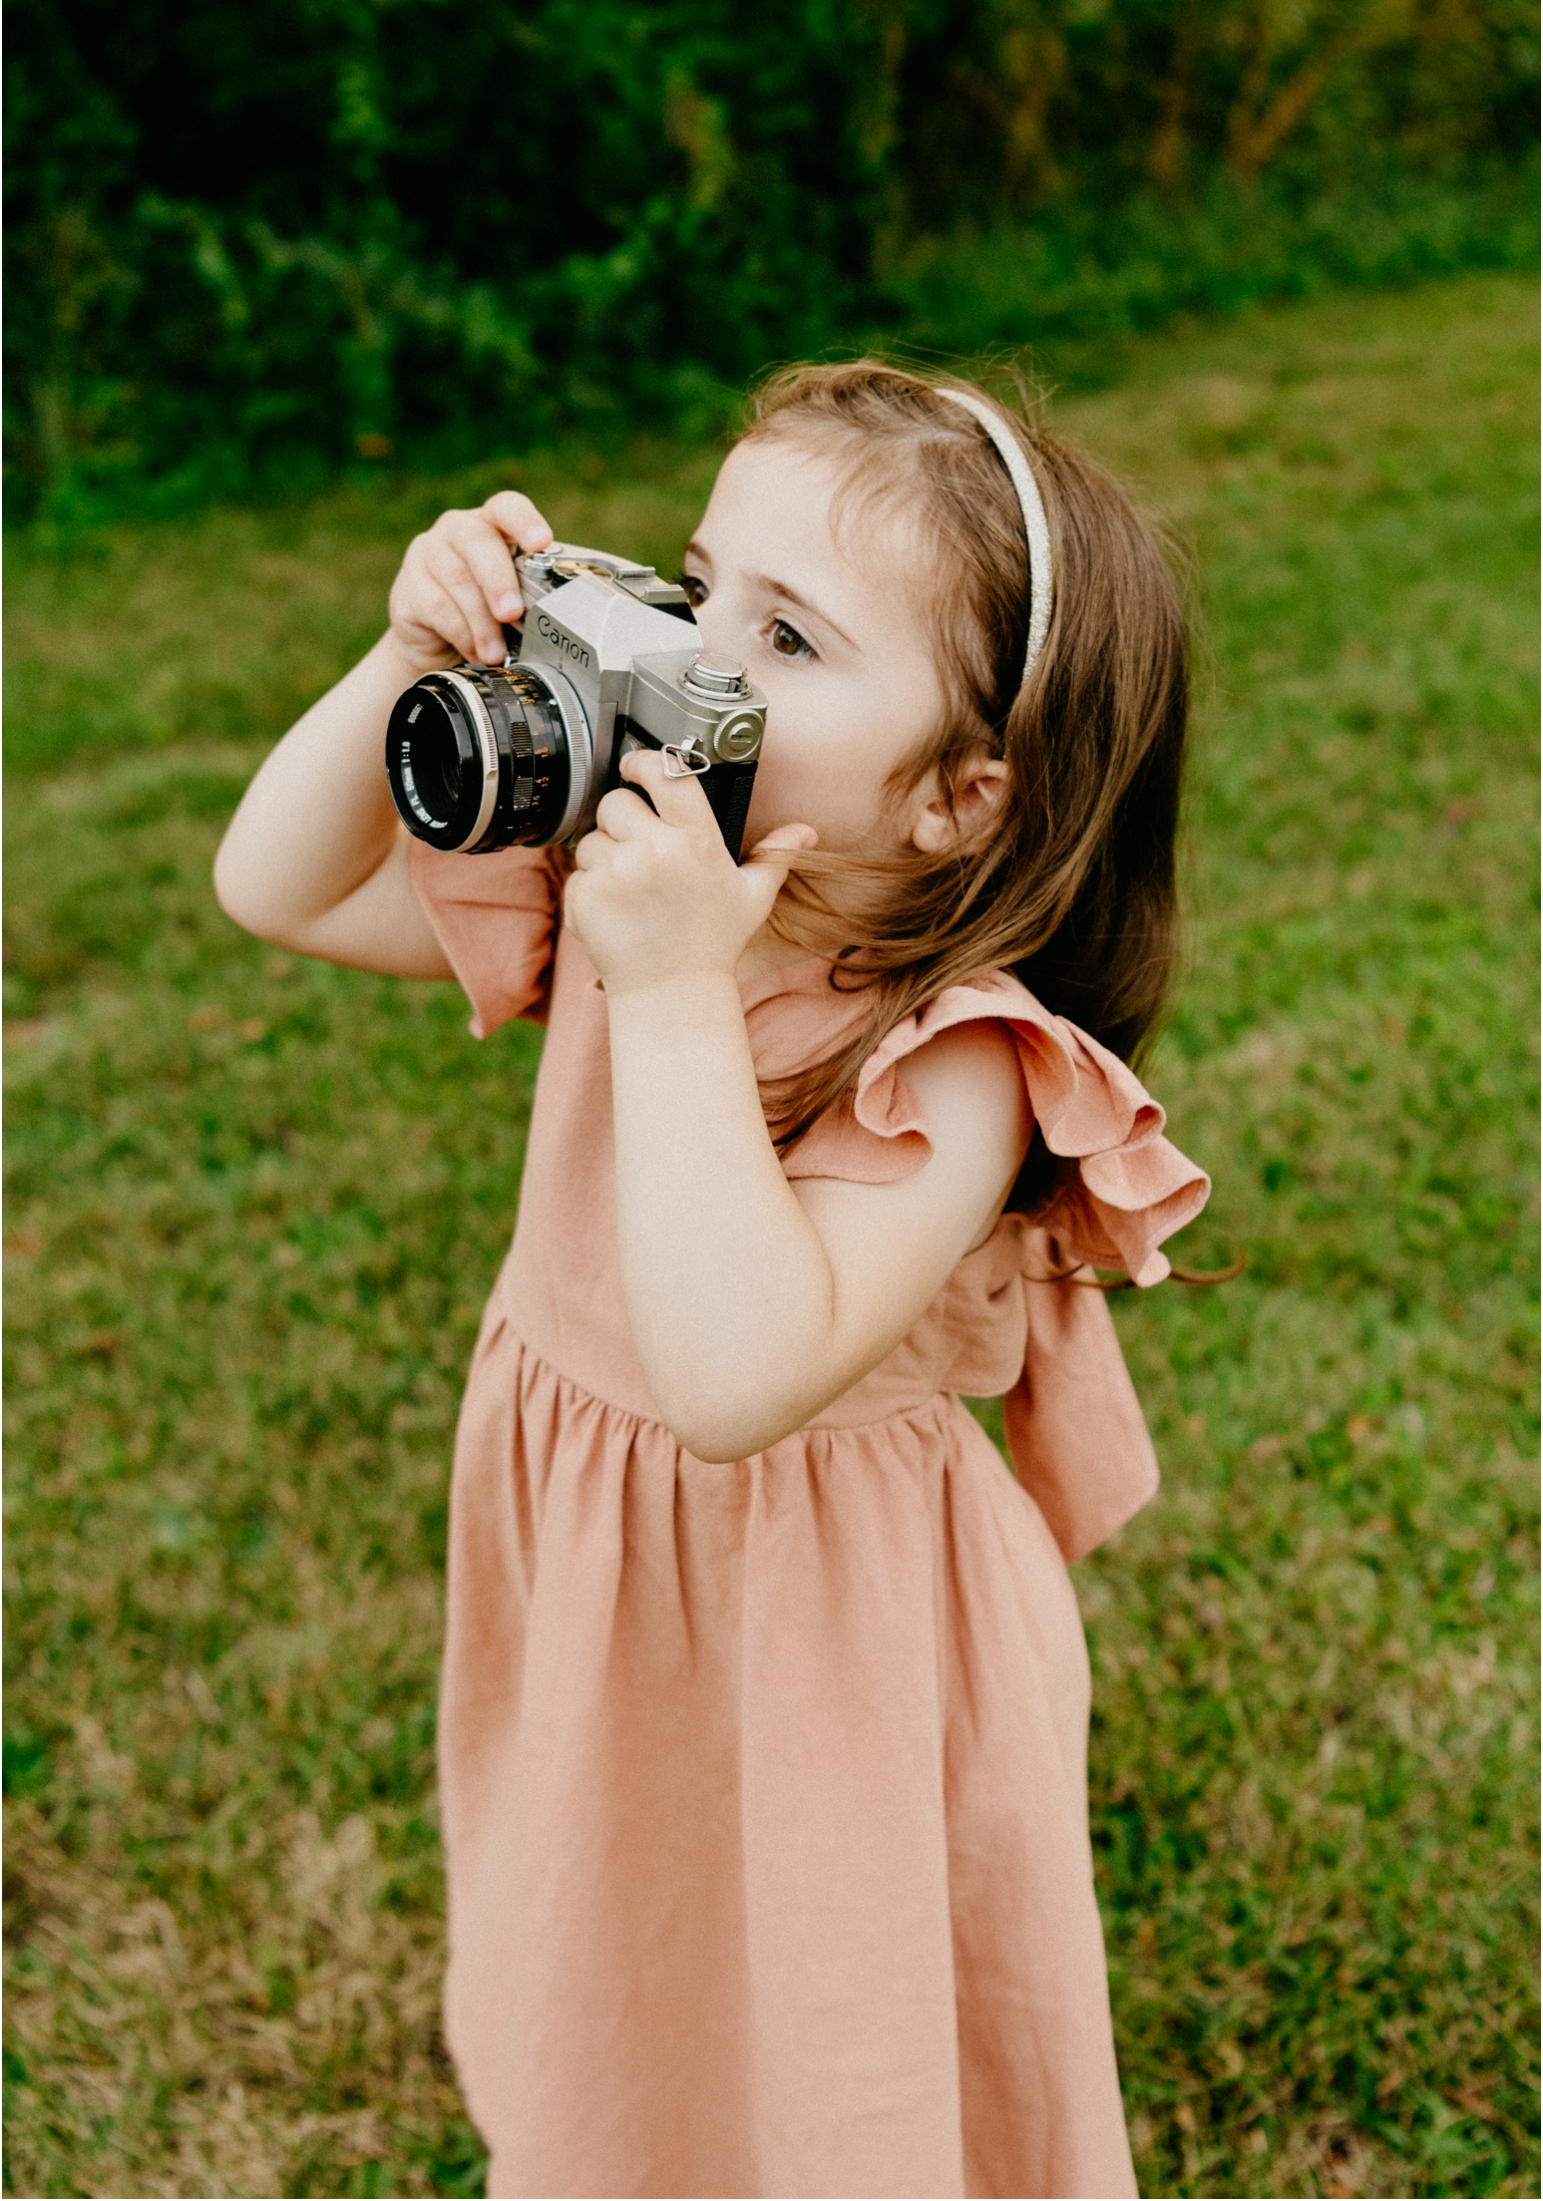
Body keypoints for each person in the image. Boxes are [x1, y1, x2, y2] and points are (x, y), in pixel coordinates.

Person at [214, 361, 1211, 2201]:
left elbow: (740, 1373)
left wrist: (671, 989)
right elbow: (272, 885)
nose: (695, 655)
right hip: (600, 1566)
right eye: (697, 588)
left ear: (961, 794)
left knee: (845, 2052)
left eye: (791, 637)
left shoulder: (960, 1057)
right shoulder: (643, 878)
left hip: (834, 1620)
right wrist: (396, 666)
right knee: (622, 1978)